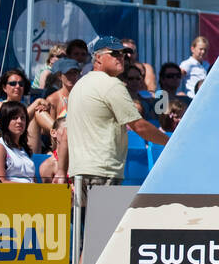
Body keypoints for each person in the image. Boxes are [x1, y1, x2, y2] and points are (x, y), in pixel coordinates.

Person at [66, 36, 171, 190]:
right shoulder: (111, 84)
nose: (121, 57)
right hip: (103, 172)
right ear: (98, 58)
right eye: (114, 53)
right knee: (106, 215)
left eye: (123, 54)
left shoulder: (79, 85)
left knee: (85, 215)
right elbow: (139, 126)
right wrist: (171, 143)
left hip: (79, 172)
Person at [0, 100, 37, 182]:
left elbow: (33, 180)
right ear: (5, 121)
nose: (20, 121)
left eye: (22, 118)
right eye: (14, 118)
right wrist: (28, 187)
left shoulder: (24, 149)